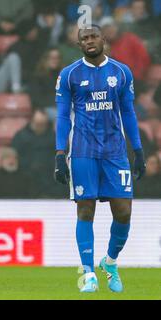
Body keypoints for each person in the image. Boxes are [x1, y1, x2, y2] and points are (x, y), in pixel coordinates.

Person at [54, 25, 146, 293]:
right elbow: (61, 116)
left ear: (103, 40)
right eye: (84, 38)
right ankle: (88, 273)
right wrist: (60, 154)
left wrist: (138, 151)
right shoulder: (69, 74)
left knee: (124, 212)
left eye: (93, 37)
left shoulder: (121, 72)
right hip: (83, 152)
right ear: (79, 43)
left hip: (115, 153)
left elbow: (128, 112)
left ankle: (110, 262)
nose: (89, 41)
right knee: (85, 211)